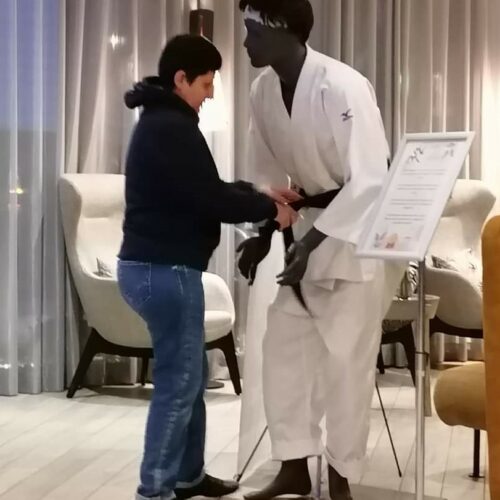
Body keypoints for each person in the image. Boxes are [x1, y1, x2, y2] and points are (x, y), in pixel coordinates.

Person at [117, 34, 298, 500]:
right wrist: (268, 209)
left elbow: (205, 187)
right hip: (166, 271)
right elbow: (209, 199)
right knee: (178, 386)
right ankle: (154, 491)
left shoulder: (163, 122)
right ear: (181, 79)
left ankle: (188, 476)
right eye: (206, 83)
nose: (211, 93)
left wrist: (261, 194)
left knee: (190, 374)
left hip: (154, 268)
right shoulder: (170, 127)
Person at [237, 2, 404, 499]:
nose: (245, 43)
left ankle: (341, 477)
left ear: (285, 30)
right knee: (282, 352)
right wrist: (263, 232)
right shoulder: (262, 90)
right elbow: (268, 174)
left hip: (355, 237)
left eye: (253, 32)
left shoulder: (342, 85)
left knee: (347, 364)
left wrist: (310, 242)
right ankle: (293, 465)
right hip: (306, 236)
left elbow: (370, 178)